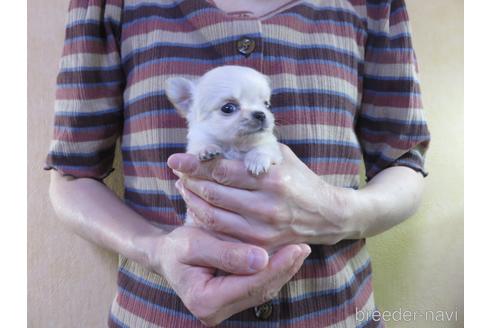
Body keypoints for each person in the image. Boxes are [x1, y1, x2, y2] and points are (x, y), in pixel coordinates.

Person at [46, 0, 431, 326]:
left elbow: (404, 162)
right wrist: (155, 251)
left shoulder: (374, 5)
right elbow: (72, 173)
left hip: (334, 309)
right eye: (230, 107)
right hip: (161, 312)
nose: (259, 114)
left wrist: (338, 211)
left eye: (264, 104)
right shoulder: (108, 5)